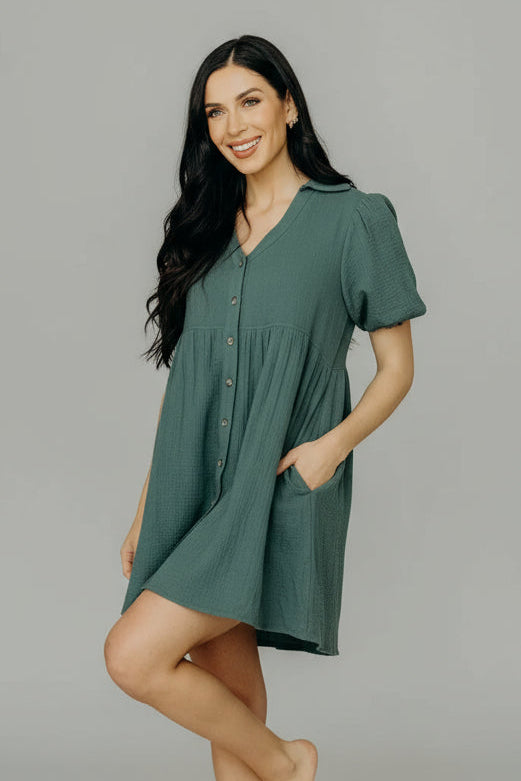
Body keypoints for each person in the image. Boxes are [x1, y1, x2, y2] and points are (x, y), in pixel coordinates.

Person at [104, 33, 427, 781]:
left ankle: (287, 762)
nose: (232, 125)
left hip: (276, 480)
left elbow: (397, 369)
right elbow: (186, 381)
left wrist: (330, 447)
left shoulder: (354, 219)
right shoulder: (205, 230)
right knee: (230, 699)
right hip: (193, 489)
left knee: (132, 655)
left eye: (248, 101)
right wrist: (146, 505)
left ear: (286, 106)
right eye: (214, 112)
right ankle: (275, 765)